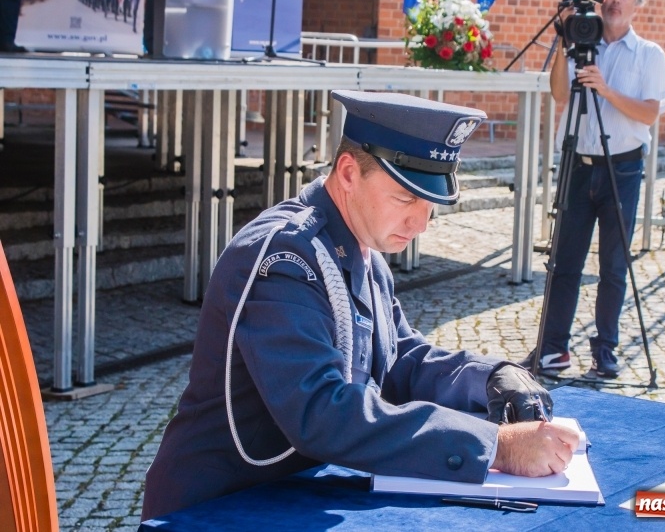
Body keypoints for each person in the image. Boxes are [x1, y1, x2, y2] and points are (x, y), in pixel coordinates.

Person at [141, 90, 579, 520]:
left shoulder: (356, 243)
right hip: (217, 507)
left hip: (290, 498)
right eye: (406, 199)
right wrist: (496, 445)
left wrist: (490, 378)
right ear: (349, 173)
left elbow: (399, 361)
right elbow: (323, 412)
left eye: (431, 204)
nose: (420, 222)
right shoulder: (287, 258)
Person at [523, 0, 665, 378]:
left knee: (614, 266)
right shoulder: (581, 41)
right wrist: (562, 39)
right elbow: (559, 94)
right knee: (563, 262)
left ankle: (605, 350)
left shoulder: (649, 54)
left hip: (621, 167)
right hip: (578, 165)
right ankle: (553, 348)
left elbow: (649, 113)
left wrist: (603, 89)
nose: (614, 3)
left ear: (639, 5)